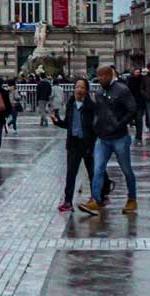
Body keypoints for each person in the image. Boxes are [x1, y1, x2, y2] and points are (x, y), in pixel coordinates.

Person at [81, 66, 139, 216]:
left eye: (102, 76)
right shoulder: (100, 93)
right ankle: (94, 199)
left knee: (126, 169)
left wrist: (120, 124)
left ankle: (132, 198)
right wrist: (96, 126)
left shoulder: (122, 90)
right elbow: (98, 112)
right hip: (103, 137)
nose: (99, 79)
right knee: (98, 169)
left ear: (109, 75)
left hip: (120, 137)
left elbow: (132, 109)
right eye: (98, 76)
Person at [53, 78, 97, 212]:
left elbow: (94, 127)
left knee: (92, 173)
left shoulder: (91, 106)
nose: (79, 90)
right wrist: (57, 122)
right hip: (73, 143)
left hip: (87, 143)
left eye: (82, 87)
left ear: (86, 90)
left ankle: (96, 198)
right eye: (77, 87)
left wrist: (92, 144)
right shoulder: (71, 104)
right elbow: (68, 124)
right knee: (71, 174)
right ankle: (68, 201)